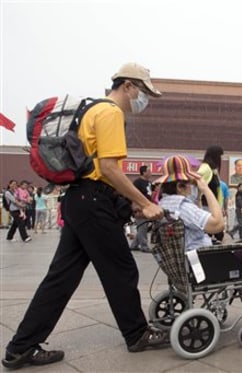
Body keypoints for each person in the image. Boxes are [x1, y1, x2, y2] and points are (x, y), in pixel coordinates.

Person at [2, 62, 169, 370]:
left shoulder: (92, 110)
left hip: (80, 200)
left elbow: (97, 170)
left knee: (61, 277)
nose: (143, 100)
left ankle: (20, 348)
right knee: (121, 269)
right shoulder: (110, 113)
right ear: (129, 86)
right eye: (143, 92)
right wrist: (145, 202)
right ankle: (137, 335)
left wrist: (125, 201)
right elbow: (107, 169)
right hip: (92, 203)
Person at [156, 155, 242, 317]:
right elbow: (218, 225)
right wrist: (206, 190)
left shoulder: (164, 204)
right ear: (180, 186)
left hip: (188, 262)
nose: (192, 187)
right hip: (202, 264)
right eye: (190, 183)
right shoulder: (183, 206)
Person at [197, 145, 225, 244]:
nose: (220, 159)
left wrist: (220, 206)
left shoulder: (213, 171)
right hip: (205, 207)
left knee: (216, 233)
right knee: (208, 233)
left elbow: (218, 191)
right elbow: (195, 180)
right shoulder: (206, 168)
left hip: (212, 207)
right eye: (219, 156)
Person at [130, 165, 152, 252]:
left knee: (143, 227)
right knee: (142, 226)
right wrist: (135, 205)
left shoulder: (149, 183)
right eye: (149, 171)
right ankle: (144, 246)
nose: (151, 173)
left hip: (147, 206)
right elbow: (133, 194)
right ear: (144, 172)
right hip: (140, 206)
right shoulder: (137, 182)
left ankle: (134, 245)